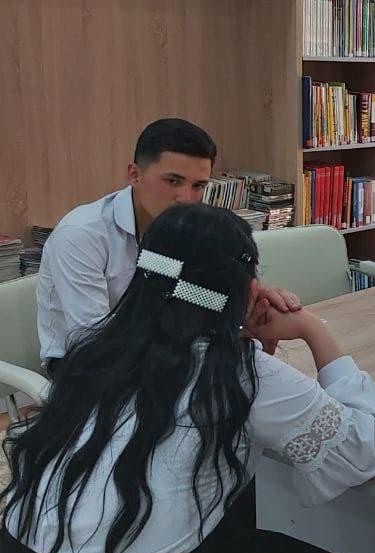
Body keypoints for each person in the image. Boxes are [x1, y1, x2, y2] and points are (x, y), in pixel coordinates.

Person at [1, 204, 375, 553]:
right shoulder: (235, 371)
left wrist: (230, 314)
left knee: (232, 529)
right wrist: (310, 328)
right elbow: (363, 447)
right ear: (245, 287)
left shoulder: (97, 347)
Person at [37, 117, 301, 371]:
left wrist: (246, 301)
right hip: (88, 366)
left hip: (164, 353)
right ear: (134, 175)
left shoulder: (183, 230)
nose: (186, 198)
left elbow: (186, 292)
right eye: (173, 181)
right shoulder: (81, 235)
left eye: (198, 185)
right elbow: (93, 338)